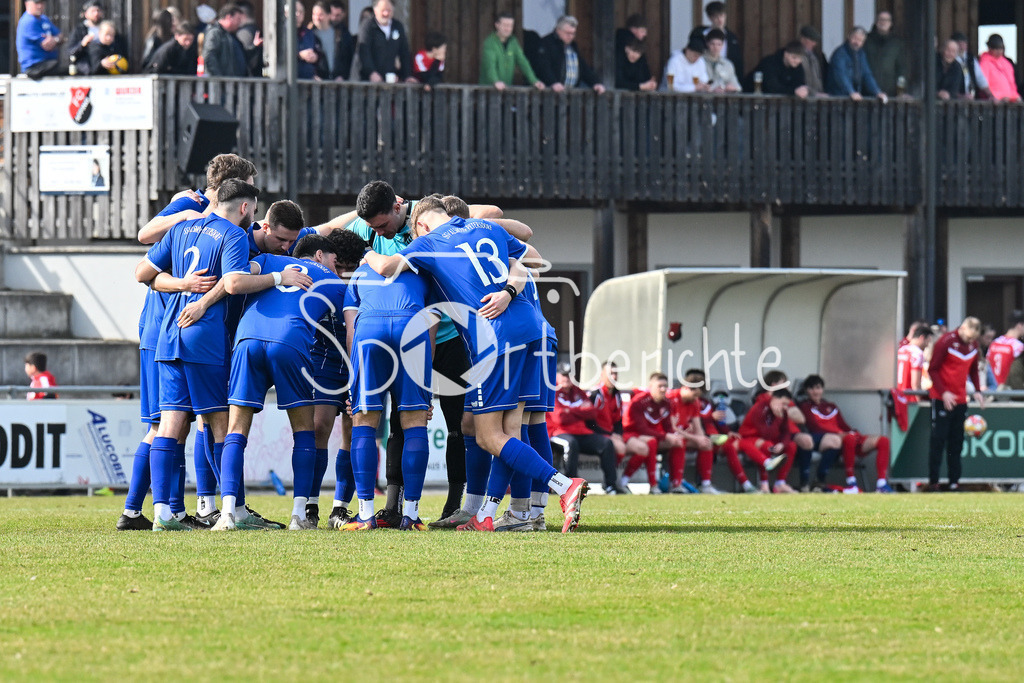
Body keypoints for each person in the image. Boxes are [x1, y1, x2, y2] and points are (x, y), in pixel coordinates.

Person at [363, 196, 590, 533]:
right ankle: (501, 515)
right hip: (530, 326)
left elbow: (385, 267)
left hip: (494, 337)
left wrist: (365, 251)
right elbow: (533, 260)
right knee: (511, 429)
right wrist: (509, 291)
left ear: (422, 224)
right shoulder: (486, 226)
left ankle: (561, 486)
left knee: (488, 436)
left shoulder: (426, 243)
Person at [132, 180, 262, 531]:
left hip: (168, 333)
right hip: (203, 337)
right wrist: (275, 275)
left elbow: (143, 274)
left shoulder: (180, 228)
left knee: (169, 423)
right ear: (245, 208)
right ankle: (230, 510)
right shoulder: (233, 235)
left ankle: (163, 514)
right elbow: (234, 283)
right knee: (219, 421)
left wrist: (181, 284)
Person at [214, 233, 342, 531]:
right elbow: (347, 328)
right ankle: (299, 515)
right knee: (303, 430)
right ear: (320, 255)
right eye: (336, 261)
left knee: (235, 430)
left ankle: (228, 513)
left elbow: (238, 278)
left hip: (247, 338)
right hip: (290, 341)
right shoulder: (335, 283)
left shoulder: (269, 259)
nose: (338, 268)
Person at [338, 243, 433, 531]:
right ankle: (412, 515)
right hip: (413, 330)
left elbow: (351, 331)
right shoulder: (421, 272)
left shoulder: (359, 274)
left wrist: (355, 383)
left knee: (364, 420)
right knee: (415, 421)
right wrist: (425, 386)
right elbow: (432, 325)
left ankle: (366, 515)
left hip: (369, 332)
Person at [798, 375, 893, 494]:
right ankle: (851, 482)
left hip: (846, 437)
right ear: (806, 390)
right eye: (811, 388)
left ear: (822, 389)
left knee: (883, 440)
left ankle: (881, 484)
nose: (815, 391)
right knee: (848, 438)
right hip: (831, 441)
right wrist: (841, 435)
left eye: (818, 387)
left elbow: (843, 426)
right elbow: (815, 427)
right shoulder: (805, 407)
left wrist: (852, 432)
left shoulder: (831, 406)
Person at [926, 317, 986, 491]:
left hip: (960, 399)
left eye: (972, 339)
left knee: (957, 442)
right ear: (962, 329)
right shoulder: (946, 342)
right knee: (938, 440)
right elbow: (933, 368)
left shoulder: (973, 346)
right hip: (941, 399)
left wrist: (977, 390)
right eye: (968, 337)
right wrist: (943, 392)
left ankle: (954, 482)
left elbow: (973, 369)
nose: (969, 341)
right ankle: (934, 482)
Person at [547, 364, 622, 496]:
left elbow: (592, 413)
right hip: (558, 432)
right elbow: (560, 418)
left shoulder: (577, 391)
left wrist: (569, 410)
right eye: (564, 375)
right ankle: (571, 486)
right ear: (557, 376)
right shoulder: (552, 391)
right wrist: (580, 410)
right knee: (570, 444)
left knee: (606, 443)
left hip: (582, 432)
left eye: (570, 375)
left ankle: (610, 485)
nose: (567, 378)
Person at [722, 388, 797, 493]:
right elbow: (765, 433)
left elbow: (786, 432)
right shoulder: (759, 408)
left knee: (791, 445)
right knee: (766, 445)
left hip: (766, 439)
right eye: (783, 404)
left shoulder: (782, 412)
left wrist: (782, 444)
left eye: (786, 405)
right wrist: (776, 417)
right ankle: (764, 484)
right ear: (774, 398)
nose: (784, 407)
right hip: (749, 438)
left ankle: (780, 483)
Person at [620, 373, 684, 494]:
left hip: (654, 435)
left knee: (678, 443)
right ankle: (652, 485)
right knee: (651, 442)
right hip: (632, 434)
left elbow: (667, 426)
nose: (663, 389)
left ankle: (676, 484)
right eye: (659, 386)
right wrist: (665, 436)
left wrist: (672, 435)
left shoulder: (666, 403)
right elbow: (641, 429)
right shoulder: (639, 402)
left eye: (665, 386)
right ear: (650, 386)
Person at [590, 360, 649, 480]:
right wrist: (610, 435)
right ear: (602, 375)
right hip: (598, 434)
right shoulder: (595, 394)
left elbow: (618, 420)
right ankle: (610, 480)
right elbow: (590, 423)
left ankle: (623, 481)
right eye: (610, 373)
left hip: (613, 434)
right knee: (620, 447)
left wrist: (618, 434)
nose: (614, 376)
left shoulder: (617, 395)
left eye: (616, 373)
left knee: (643, 448)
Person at [532, 15, 606, 94]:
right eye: (567, 33)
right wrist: (552, 82)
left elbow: (584, 69)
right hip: (549, 95)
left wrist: (596, 83)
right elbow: (543, 67)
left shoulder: (573, 47)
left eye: (573, 33)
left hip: (571, 95)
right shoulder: (546, 44)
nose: (570, 36)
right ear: (558, 30)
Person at [479, 12, 544, 90]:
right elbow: (490, 65)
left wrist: (534, 81)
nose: (508, 29)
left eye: (510, 26)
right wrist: (495, 81)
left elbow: (523, 62)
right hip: (489, 90)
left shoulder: (513, 42)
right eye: (505, 25)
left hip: (506, 89)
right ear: (497, 25)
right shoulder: (490, 42)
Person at [357, 0, 415, 83]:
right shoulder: (367, 26)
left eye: (389, 10)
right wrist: (371, 72)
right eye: (383, 10)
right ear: (375, 10)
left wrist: (407, 76)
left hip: (391, 79)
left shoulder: (398, 26)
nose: (386, 14)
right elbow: (364, 52)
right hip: (369, 81)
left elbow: (404, 53)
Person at [826, 27, 888, 103]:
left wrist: (877, 92)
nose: (857, 42)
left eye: (860, 40)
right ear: (849, 36)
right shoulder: (840, 54)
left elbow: (867, 75)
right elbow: (840, 75)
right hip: (838, 97)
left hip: (855, 97)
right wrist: (850, 91)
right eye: (855, 38)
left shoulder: (861, 54)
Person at [689, 1, 743, 79]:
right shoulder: (698, 34)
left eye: (722, 16)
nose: (720, 20)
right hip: (702, 74)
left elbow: (737, 63)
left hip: (725, 76)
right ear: (710, 18)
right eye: (716, 17)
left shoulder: (732, 38)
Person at [17, 0, 64, 79]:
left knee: (70, 70)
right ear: (27, 4)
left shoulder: (44, 19)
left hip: (47, 64)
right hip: (34, 67)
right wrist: (56, 40)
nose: (40, 6)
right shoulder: (28, 21)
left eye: (41, 3)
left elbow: (61, 36)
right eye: (36, 3)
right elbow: (47, 46)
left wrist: (55, 39)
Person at [863, 11, 905, 97]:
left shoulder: (897, 43)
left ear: (891, 23)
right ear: (876, 22)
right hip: (867, 92)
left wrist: (900, 91)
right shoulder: (866, 41)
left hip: (890, 93)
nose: (883, 22)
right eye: (881, 19)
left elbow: (902, 69)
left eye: (886, 20)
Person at [311, 0, 354, 81]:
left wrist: (343, 76)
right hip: (318, 82)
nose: (317, 18)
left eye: (320, 15)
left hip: (339, 81)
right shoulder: (309, 35)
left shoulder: (341, 34)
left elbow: (348, 57)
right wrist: (313, 75)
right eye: (314, 14)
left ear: (328, 15)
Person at [203, 4, 249, 78]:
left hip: (236, 83)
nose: (239, 23)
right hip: (223, 84)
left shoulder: (232, 36)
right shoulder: (215, 33)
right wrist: (219, 79)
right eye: (238, 19)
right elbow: (209, 57)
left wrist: (255, 48)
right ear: (229, 17)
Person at [614, 14, 655, 91]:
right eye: (642, 31)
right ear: (633, 30)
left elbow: (644, 74)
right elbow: (618, 80)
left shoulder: (640, 47)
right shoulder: (619, 48)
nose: (645, 34)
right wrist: (640, 86)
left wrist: (649, 84)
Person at [985, 312, 1024, 389]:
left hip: (992, 389)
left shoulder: (994, 342)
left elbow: (986, 364)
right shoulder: (1018, 346)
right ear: (1019, 325)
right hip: (1008, 390)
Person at [897, 323, 934, 400]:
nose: (927, 345)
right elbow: (915, 384)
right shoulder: (917, 354)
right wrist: (919, 401)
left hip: (898, 395)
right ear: (922, 338)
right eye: (928, 341)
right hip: (909, 398)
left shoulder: (901, 350)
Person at [979, 34, 1020, 102]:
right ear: (989, 48)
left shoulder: (1007, 64)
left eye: (1001, 48)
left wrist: (1015, 96)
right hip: (994, 102)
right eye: (995, 48)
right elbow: (984, 84)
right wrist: (994, 96)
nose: (999, 51)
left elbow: (1011, 83)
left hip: (1010, 101)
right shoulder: (984, 63)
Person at [952, 32, 991, 99]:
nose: (961, 46)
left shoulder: (971, 59)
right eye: (959, 43)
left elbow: (980, 78)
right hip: (953, 100)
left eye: (964, 43)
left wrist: (991, 95)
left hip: (970, 99)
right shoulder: (950, 59)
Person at [68, 1, 105, 70]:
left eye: (98, 11)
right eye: (93, 11)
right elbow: (71, 51)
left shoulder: (107, 28)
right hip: (86, 67)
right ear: (86, 14)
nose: (96, 13)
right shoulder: (79, 30)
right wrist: (82, 44)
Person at [703, 29, 740, 93]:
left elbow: (737, 86)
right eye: (712, 44)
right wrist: (713, 89)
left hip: (722, 100)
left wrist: (730, 88)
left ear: (723, 45)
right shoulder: (700, 62)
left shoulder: (727, 65)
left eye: (719, 44)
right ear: (707, 44)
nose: (716, 47)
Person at [797, 25, 828, 97]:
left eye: (815, 41)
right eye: (811, 40)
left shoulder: (819, 56)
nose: (814, 44)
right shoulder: (796, 55)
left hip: (819, 95)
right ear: (802, 39)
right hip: (803, 96)